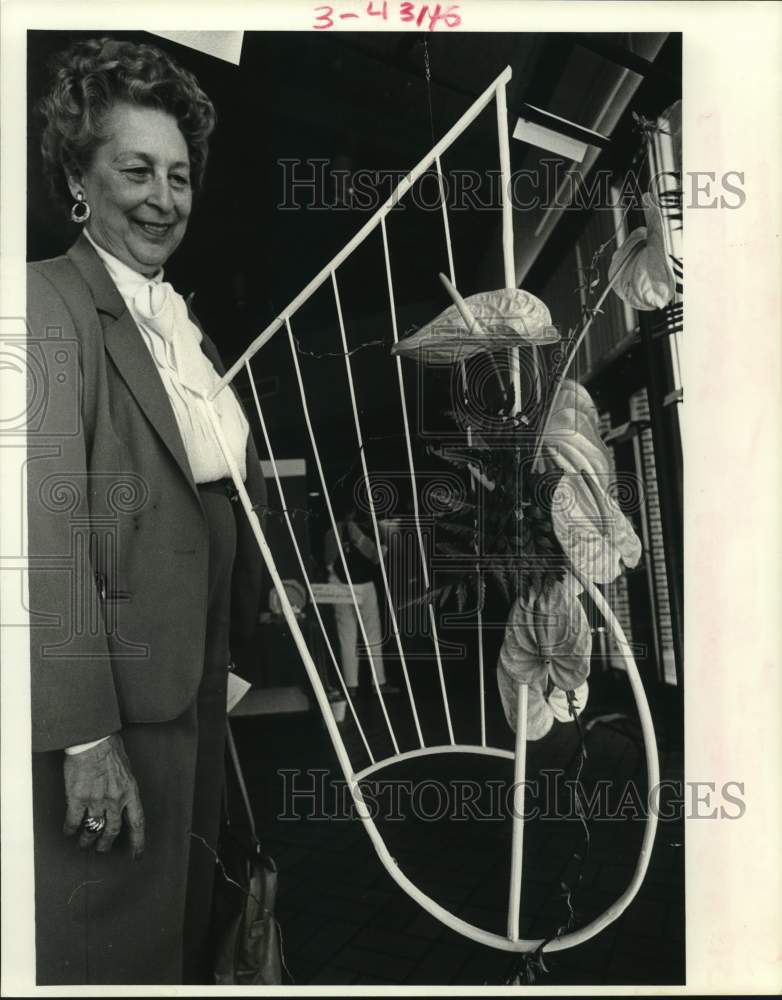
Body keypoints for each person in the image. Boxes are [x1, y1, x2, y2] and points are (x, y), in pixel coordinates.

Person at [26, 37, 267, 985]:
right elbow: (41, 529)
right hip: (115, 698)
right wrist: (85, 738)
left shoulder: (177, 316)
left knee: (177, 922)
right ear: (78, 181)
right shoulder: (45, 300)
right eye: (135, 170)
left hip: (193, 678)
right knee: (111, 935)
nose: (164, 196)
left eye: (178, 174)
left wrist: (233, 654)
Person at [323, 501, 399, 697]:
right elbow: (375, 557)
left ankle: (351, 686)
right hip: (364, 585)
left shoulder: (331, 532)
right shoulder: (360, 531)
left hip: (339, 586)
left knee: (346, 636)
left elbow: (328, 563)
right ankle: (379, 683)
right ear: (354, 512)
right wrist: (381, 548)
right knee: (372, 634)